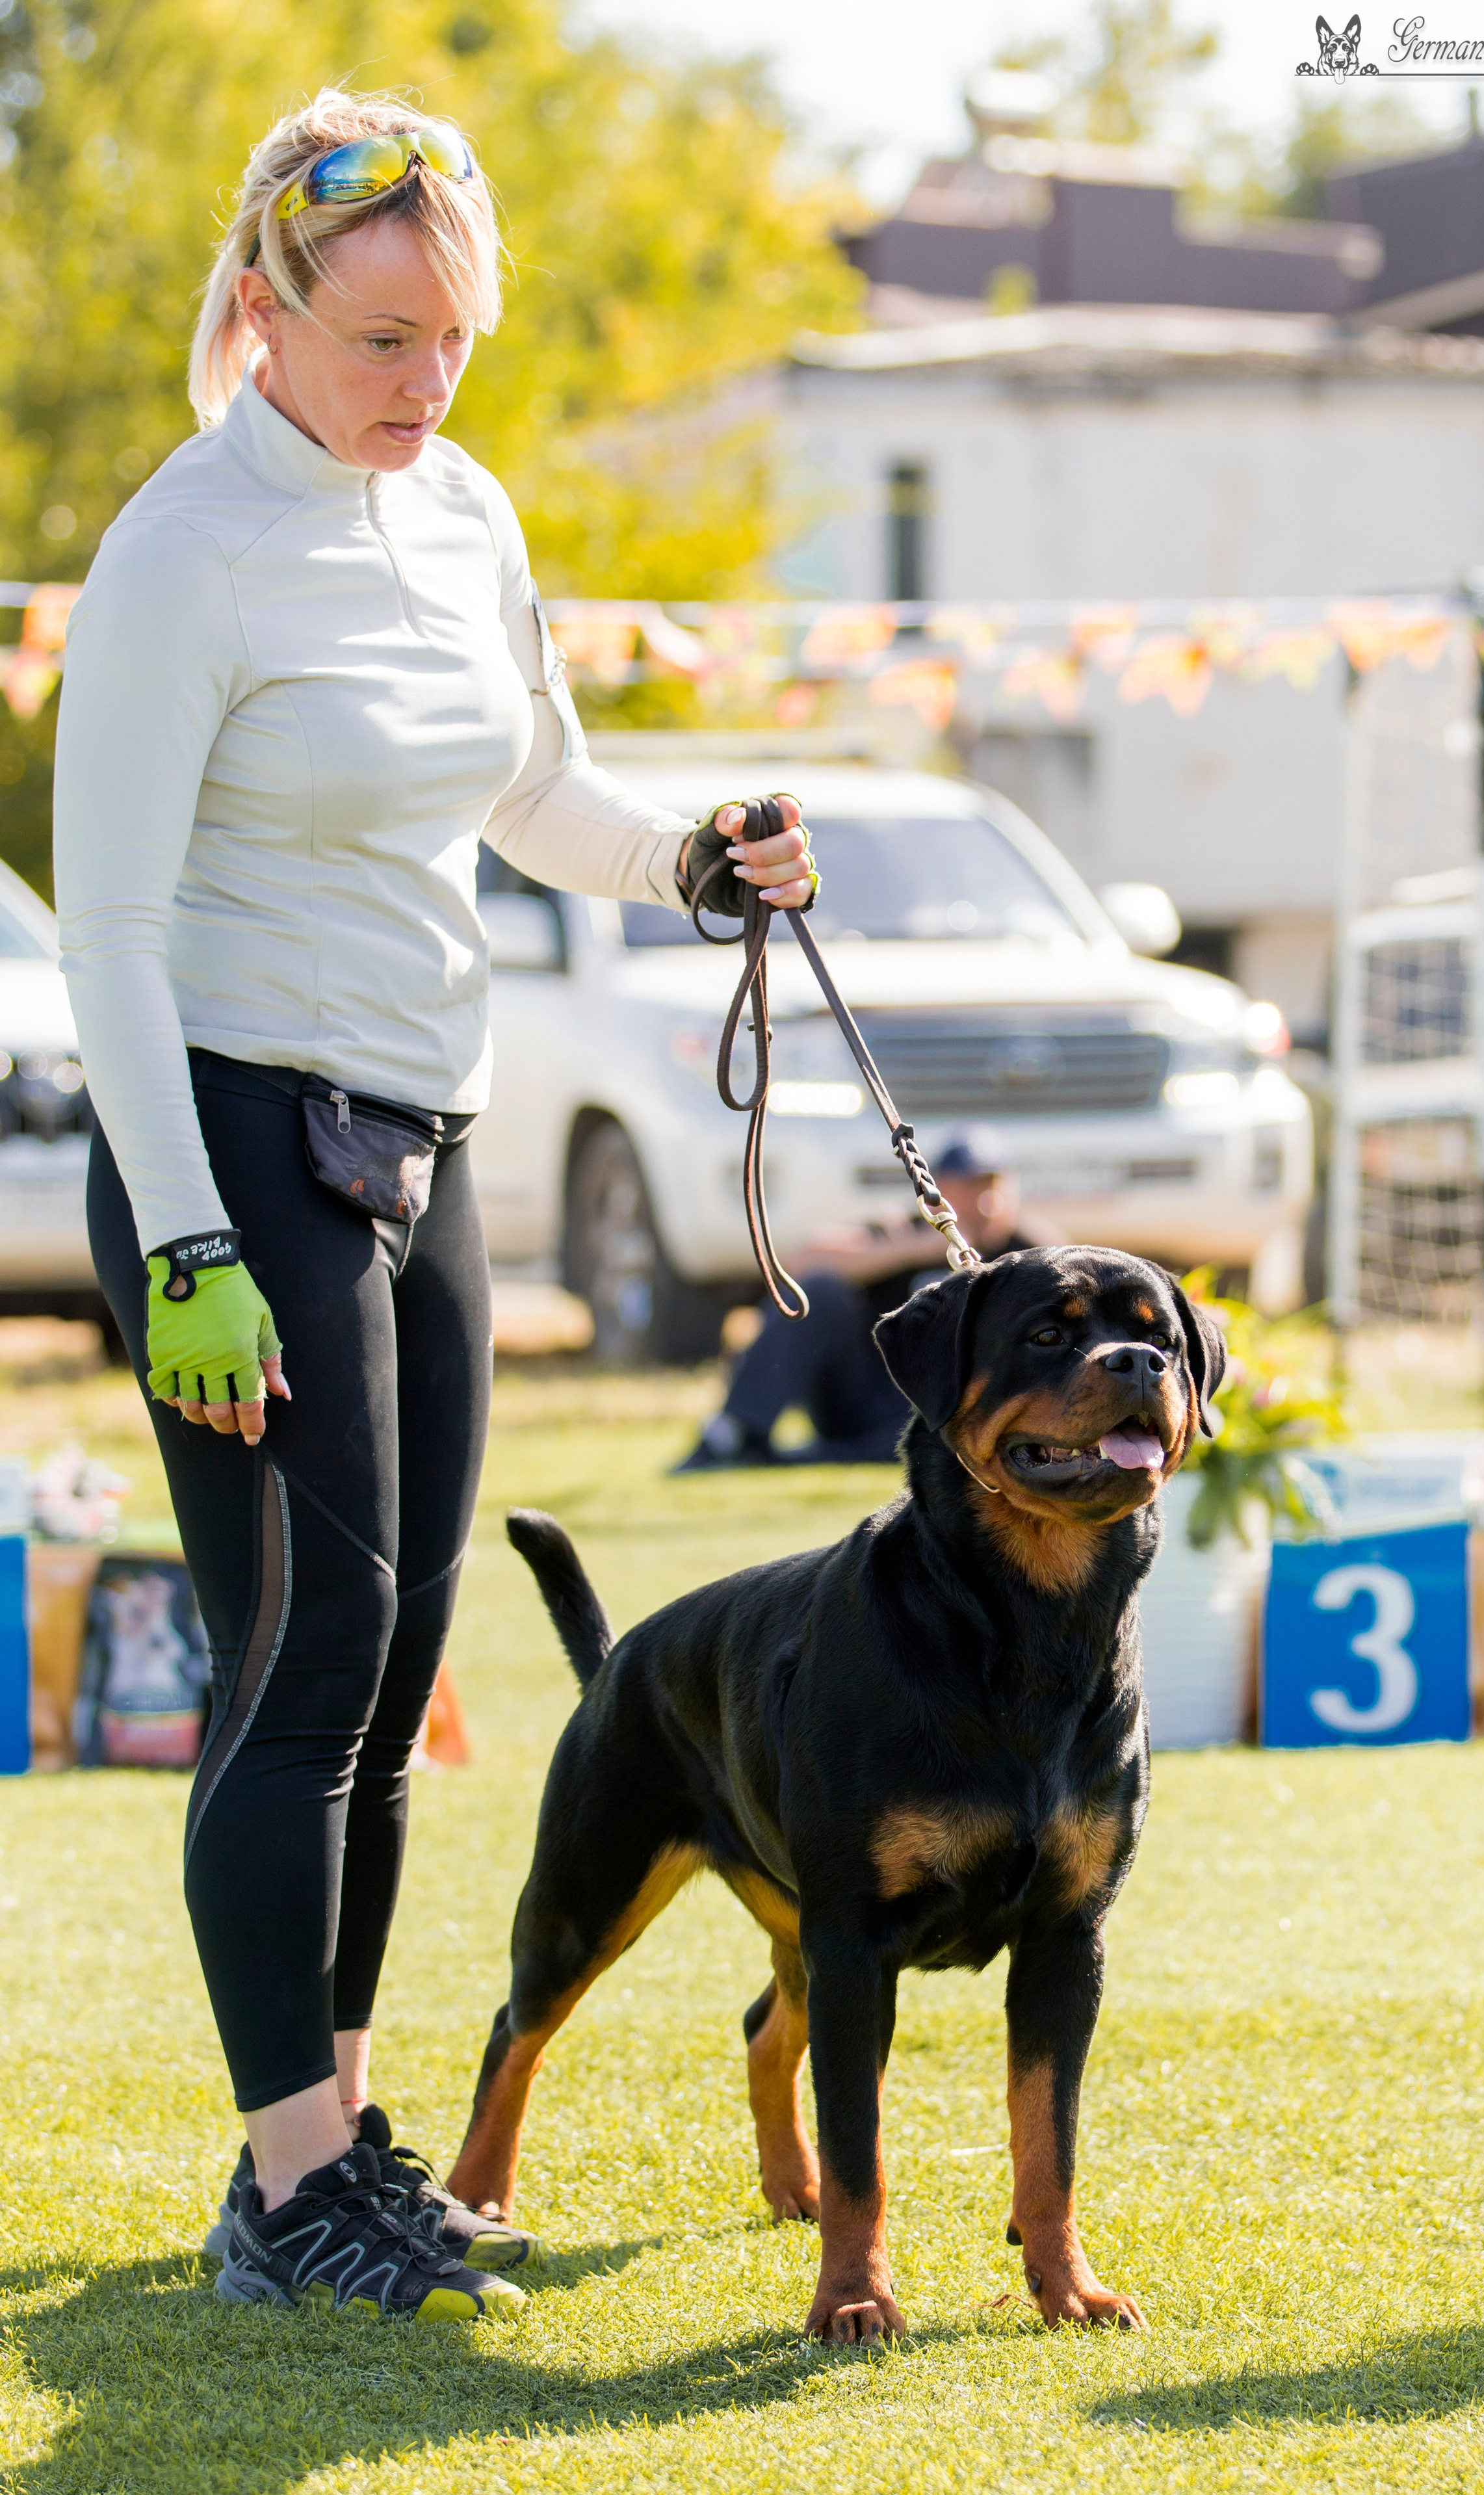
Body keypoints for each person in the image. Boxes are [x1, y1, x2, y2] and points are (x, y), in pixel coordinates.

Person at [53, 89, 813, 2323]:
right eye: (380, 337)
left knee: (394, 1674)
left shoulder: (464, 507)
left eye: (452, 340)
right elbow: (104, 929)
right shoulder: (184, 551)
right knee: (296, 1661)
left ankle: (344, 2141)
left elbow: (541, 785)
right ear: (263, 304)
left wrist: (687, 855)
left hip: (430, 1134)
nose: (420, 384)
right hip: (233, 1144)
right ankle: (283, 2193)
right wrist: (185, 1238)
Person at [675, 1137, 1037, 1470]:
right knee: (821, 1291)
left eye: (995, 1187)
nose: (988, 1203)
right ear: (939, 1188)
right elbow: (803, 1264)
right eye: (973, 1187)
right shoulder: (907, 1231)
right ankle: (735, 1434)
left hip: (958, 1416)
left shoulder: (1026, 1252)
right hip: (868, 1399)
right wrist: (912, 1249)